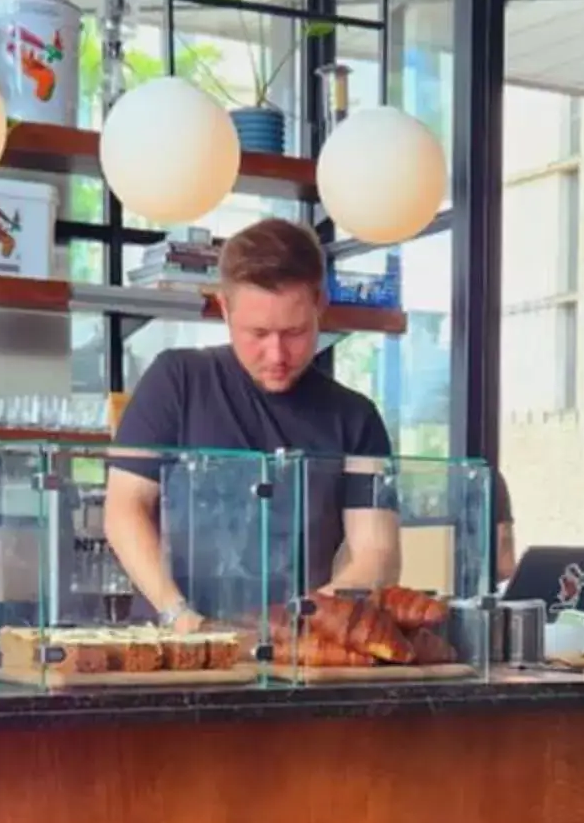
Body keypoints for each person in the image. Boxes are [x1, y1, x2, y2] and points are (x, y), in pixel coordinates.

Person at [104, 214, 400, 625]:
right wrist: (180, 615)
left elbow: (377, 555)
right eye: (258, 333)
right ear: (225, 309)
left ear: (320, 304)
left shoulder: (356, 418)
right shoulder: (176, 381)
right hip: (172, 644)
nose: (277, 355)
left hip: (296, 655)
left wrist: (299, 623)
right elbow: (124, 510)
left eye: (294, 332)